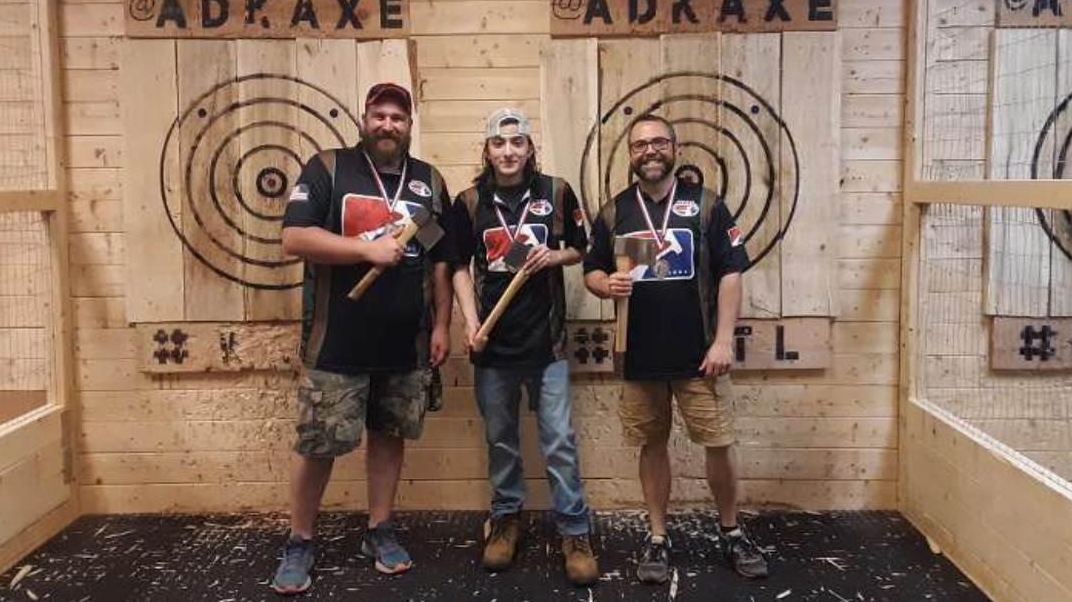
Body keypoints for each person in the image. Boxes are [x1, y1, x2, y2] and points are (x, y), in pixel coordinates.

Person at [272, 82, 454, 594]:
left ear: (410, 123)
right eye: (380, 115)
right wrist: (364, 250)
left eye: (398, 116)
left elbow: (440, 259)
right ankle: (301, 540)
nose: (388, 124)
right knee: (319, 444)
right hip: (338, 342)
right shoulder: (329, 168)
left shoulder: (427, 182)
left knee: (389, 435)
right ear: (365, 119)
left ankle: (379, 529)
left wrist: (441, 324)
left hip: (405, 344)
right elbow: (294, 238)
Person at [582, 114, 768, 584]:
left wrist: (724, 339)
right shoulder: (614, 213)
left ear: (675, 148)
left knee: (719, 443)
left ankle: (730, 531)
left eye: (659, 142)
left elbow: (731, 271)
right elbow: (592, 271)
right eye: (640, 144)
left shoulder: (706, 206)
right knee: (652, 444)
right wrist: (607, 283)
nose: (650, 151)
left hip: (700, 356)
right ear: (630, 153)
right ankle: (658, 536)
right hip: (639, 355)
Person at [448, 108, 598, 585]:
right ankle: (506, 521)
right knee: (501, 442)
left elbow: (582, 247)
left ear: (530, 148)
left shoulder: (555, 193)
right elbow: (456, 267)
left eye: (517, 143)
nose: (508, 152)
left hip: (546, 345)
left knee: (558, 442)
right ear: (487, 150)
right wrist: (472, 324)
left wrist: (554, 256)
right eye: (499, 143)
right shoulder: (470, 203)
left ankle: (574, 530)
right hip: (493, 348)